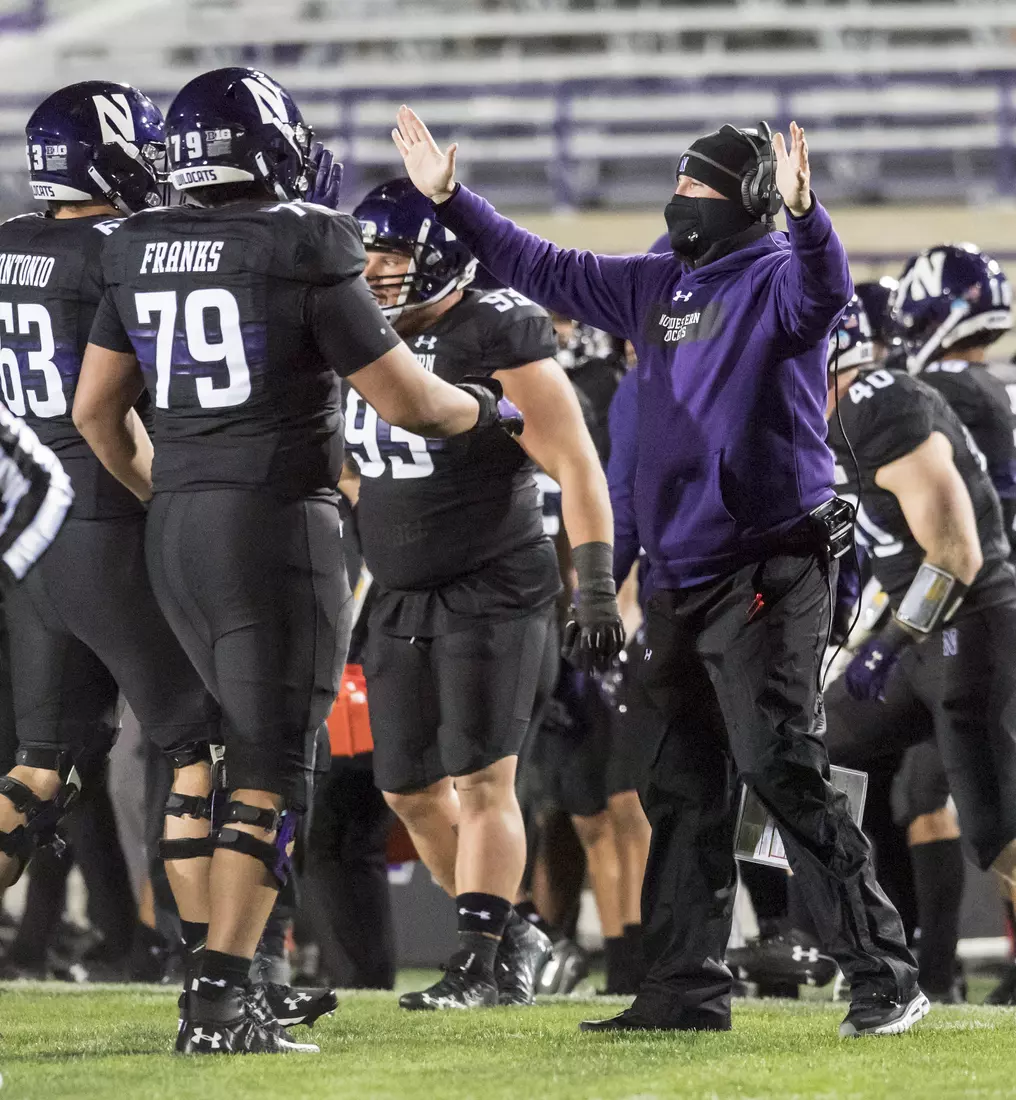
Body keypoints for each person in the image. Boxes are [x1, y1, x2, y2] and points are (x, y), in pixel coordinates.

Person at [392, 105, 924, 1038]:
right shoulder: (657, 283)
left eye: (697, 187)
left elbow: (826, 290)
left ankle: (885, 974)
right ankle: (684, 988)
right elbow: (542, 264)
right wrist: (452, 201)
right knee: (682, 787)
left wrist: (809, 216)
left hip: (771, 563)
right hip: (682, 575)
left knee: (783, 770)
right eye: (676, 184)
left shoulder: (778, 278)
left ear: (746, 198)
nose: (679, 201)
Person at [72, 68, 522, 1055]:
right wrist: (488, 409)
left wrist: (171, 495)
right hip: (275, 526)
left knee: (203, 758)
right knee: (277, 771)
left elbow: (95, 412)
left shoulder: (136, 244)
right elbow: (409, 401)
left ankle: (217, 974)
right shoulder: (303, 239)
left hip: (176, 527)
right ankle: (226, 997)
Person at [340, 176, 621, 1010]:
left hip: (494, 585)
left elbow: (574, 462)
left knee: (483, 780)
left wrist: (596, 587)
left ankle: (475, 960)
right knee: (407, 790)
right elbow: (353, 468)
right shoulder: (359, 334)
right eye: (367, 253)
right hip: (398, 592)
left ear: (439, 256)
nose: (374, 269)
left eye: (390, 252)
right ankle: (517, 932)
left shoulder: (497, 327)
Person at [0, 84, 229, 1010]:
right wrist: (164, 497)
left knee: (37, 767)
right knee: (196, 743)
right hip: (101, 515)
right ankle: (221, 975)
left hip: (27, 536)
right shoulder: (119, 251)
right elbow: (116, 408)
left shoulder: (9, 241)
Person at [824, 296, 1016, 1003]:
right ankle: (856, 941)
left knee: (994, 833)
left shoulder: (881, 401)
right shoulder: (836, 421)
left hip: (970, 626)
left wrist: (887, 644)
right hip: (921, 636)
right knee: (813, 754)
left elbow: (958, 554)